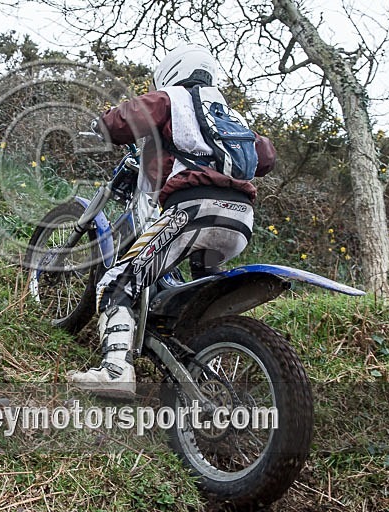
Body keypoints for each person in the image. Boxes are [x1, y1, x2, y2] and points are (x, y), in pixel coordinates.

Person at [68, 44, 277, 396]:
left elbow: (125, 118)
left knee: (115, 281)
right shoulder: (230, 115)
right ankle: (201, 359)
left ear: (171, 71)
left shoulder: (171, 99)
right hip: (240, 221)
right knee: (200, 290)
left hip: (192, 212)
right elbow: (266, 158)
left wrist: (101, 124)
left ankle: (116, 369)